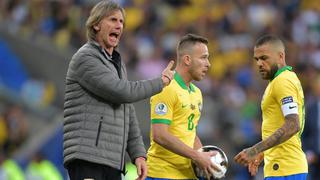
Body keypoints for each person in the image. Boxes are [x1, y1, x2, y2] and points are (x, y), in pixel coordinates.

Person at [63, 1, 174, 180]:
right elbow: (123, 92)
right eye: (113, 20)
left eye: (121, 22)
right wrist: (160, 82)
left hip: (112, 161)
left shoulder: (117, 63)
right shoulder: (85, 58)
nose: (119, 25)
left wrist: (138, 154)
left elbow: (127, 111)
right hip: (88, 158)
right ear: (96, 24)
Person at [146, 34, 220, 180]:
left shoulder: (197, 93)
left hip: (187, 175)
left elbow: (190, 133)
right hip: (163, 174)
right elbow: (159, 135)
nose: (208, 64)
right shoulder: (166, 88)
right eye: (203, 57)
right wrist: (197, 156)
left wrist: (206, 159)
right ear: (187, 59)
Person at [234, 35, 308, 179]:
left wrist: (254, 150)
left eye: (264, 58)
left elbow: (293, 124)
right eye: (257, 59)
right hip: (283, 167)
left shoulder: (283, 81)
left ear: (280, 56)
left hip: (285, 169)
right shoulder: (278, 81)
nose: (259, 63)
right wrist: (263, 152)